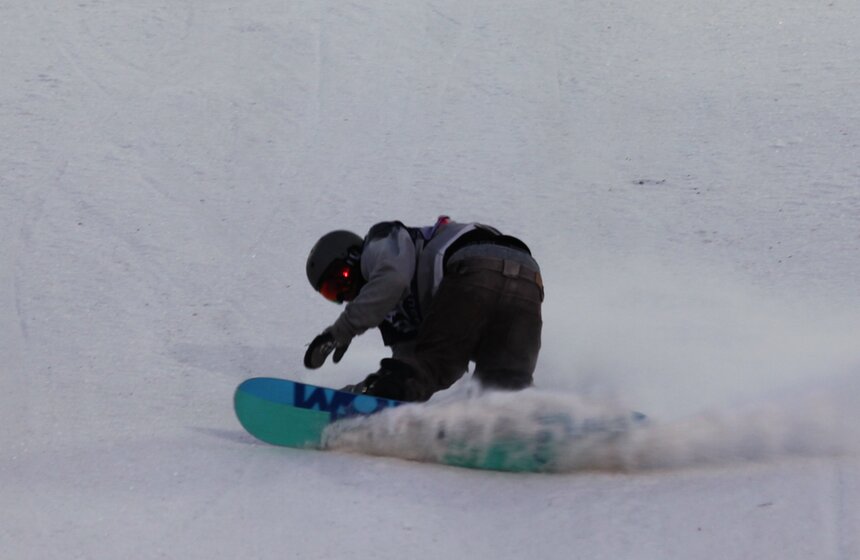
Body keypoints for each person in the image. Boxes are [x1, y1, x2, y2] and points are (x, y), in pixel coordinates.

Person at [304, 216, 543, 402]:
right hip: (528, 281)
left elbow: (393, 279)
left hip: (473, 268)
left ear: (353, 254)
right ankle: (526, 430)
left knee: (434, 363)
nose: (346, 295)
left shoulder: (380, 240)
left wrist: (340, 332)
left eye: (340, 281)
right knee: (504, 387)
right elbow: (410, 362)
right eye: (332, 294)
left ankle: (371, 394)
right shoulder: (394, 316)